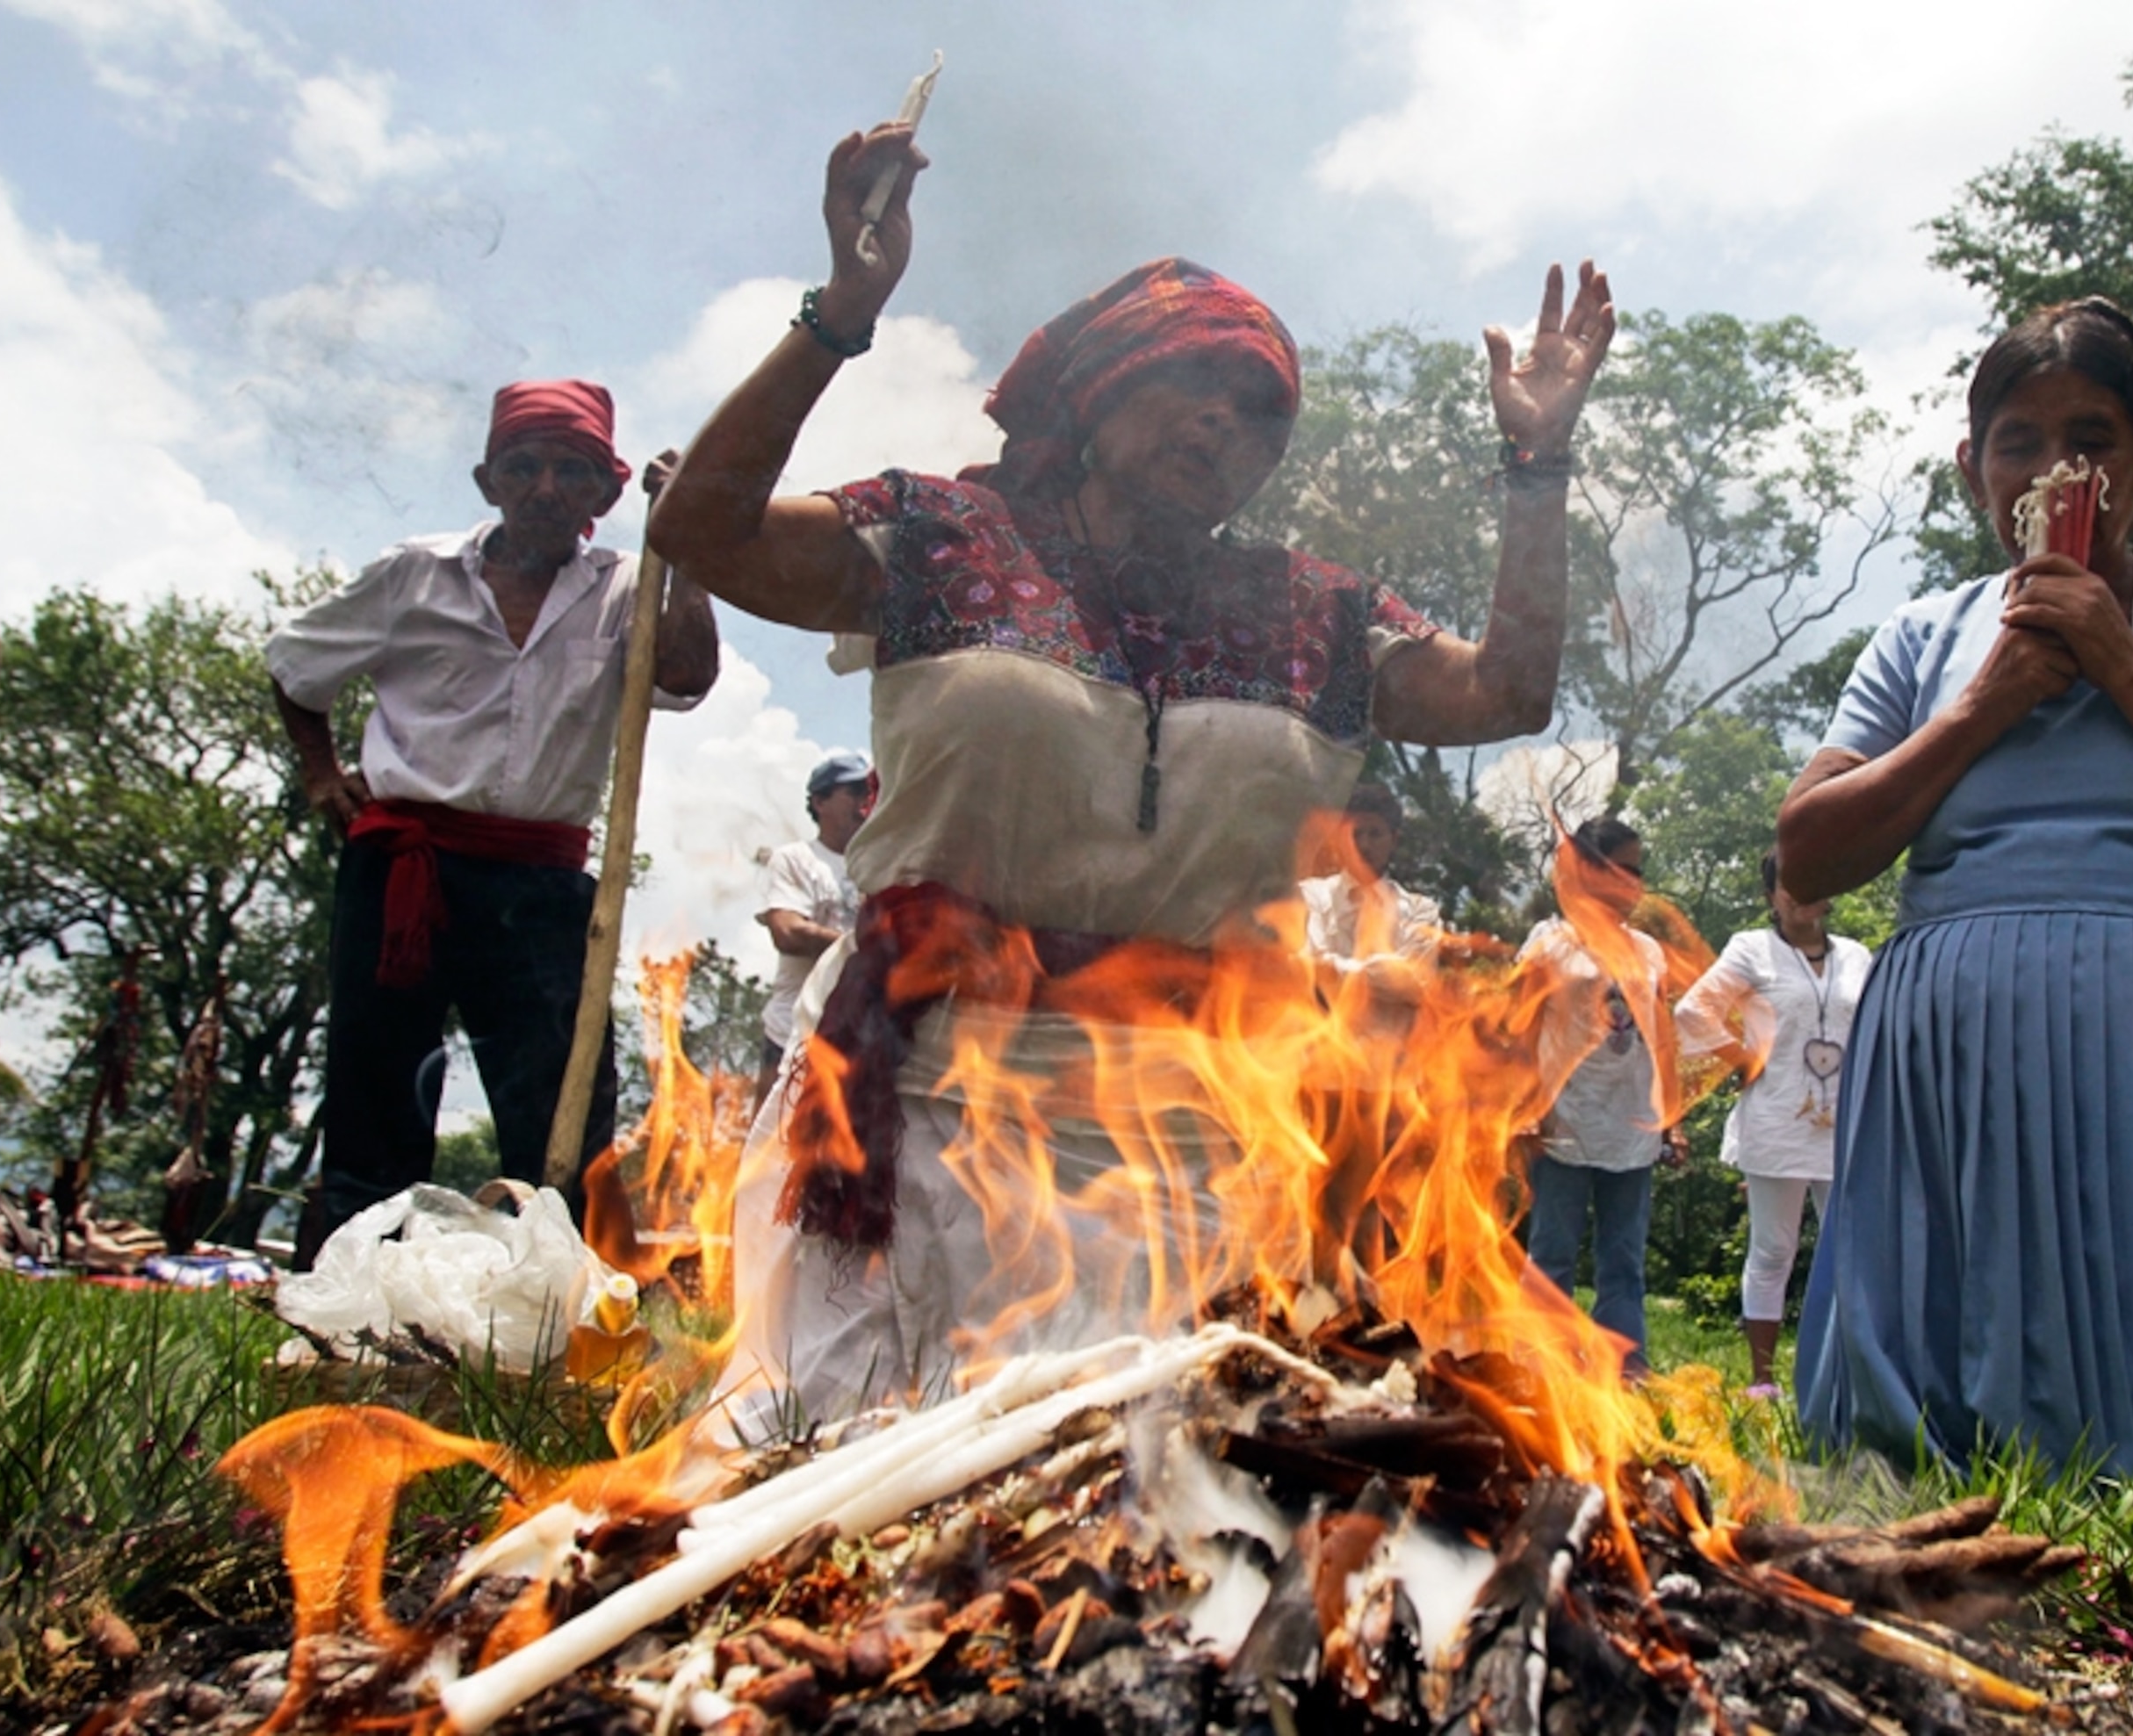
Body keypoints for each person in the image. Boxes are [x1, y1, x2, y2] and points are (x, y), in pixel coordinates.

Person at [646, 117, 1613, 1423]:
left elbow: (1509, 688)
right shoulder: (939, 534)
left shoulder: (1315, 612)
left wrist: (1537, 465)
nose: (1226, 424)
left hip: (1191, 1140)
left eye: (1261, 413)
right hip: (926, 1105)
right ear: (1098, 392)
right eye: (1195, 382)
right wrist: (843, 314)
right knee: (854, 1493)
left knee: (1167, 1512)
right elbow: (699, 527)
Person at [1777, 297, 2133, 1516]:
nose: (2056, 471)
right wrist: (1989, 702)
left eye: (2092, 439)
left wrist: (2122, 659)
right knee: (1949, 1305)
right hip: (1951, 1033)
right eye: (2018, 442)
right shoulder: (1926, 635)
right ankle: (1921, 1485)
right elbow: (1811, 850)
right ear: (1971, 468)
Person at [270, 381, 720, 1255]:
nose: (548, 487)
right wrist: (323, 776)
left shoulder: (632, 584)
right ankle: (348, 1305)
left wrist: (688, 547)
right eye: (525, 467)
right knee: (376, 1087)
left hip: (541, 882)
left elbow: (687, 681)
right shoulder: (414, 574)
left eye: (574, 471)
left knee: (559, 1101)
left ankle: (563, 1306)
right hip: (405, 868)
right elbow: (296, 667)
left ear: (607, 492)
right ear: (489, 481)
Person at [1674, 849, 1871, 1400]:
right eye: (1786, 886)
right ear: (1770, 897)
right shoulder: (1751, 949)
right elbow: (1693, 1010)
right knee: (1773, 1250)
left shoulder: (1858, 957)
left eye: (1812, 882)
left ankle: (1847, 1374)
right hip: (1777, 1121)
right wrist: (1742, 1059)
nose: (1800, 895)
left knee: (1853, 1248)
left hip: (1846, 1126)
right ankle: (1763, 1381)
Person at [1519, 818, 1677, 1381]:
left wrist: (1671, 1118)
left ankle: (1624, 1362)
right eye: (1623, 870)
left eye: (1640, 872)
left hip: (1631, 1122)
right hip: (1564, 1118)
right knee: (1553, 1252)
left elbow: (1661, 1036)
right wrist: (1523, 1107)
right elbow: (1520, 1030)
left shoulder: (1649, 952)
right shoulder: (1550, 943)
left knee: (1623, 1258)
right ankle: (1546, 1363)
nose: (1635, 883)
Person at [754, 753, 873, 1109]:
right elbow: (787, 931)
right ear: (820, 801)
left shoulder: (879, 868)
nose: (865, 801)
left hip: (857, 1037)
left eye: (870, 791)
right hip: (794, 1032)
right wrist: (863, 948)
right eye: (853, 791)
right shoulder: (796, 859)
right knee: (771, 1157)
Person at [1298, 782, 1445, 987]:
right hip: (1319, 1019)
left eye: (1375, 834)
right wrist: (1386, 974)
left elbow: (1417, 981)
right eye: (1356, 834)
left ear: (1394, 840)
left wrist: (1335, 968)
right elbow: (1308, 967)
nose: (1364, 845)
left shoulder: (1420, 911)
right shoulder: (1312, 895)